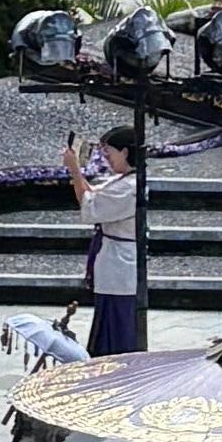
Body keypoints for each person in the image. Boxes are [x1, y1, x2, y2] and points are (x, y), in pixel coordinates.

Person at [68, 121, 145, 355]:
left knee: (117, 325)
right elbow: (95, 196)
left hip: (119, 263)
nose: (107, 158)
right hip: (114, 258)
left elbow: (91, 207)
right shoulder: (124, 180)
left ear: (124, 152)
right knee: (109, 317)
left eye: (109, 153)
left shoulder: (128, 187)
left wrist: (74, 171)